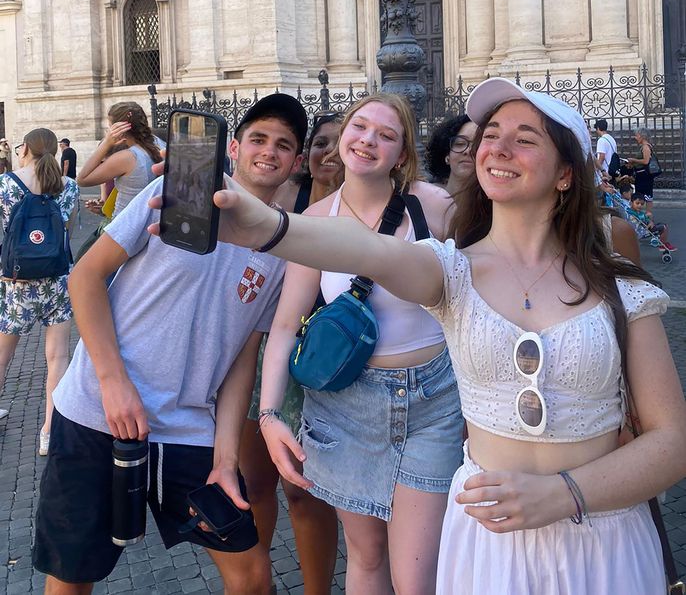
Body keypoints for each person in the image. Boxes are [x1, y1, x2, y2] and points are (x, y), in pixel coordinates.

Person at [207, 78, 686, 595]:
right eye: (491, 134)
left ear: (566, 172)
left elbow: (672, 442)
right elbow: (366, 250)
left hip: (604, 539)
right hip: (488, 542)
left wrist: (564, 494)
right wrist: (266, 226)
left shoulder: (617, 286)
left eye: (525, 139)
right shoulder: (450, 270)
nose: (498, 147)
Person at [32, 94, 308, 595]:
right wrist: (113, 382)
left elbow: (241, 361)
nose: (269, 152)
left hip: (187, 427)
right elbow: (86, 278)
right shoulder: (176, 189)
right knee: (73, 576)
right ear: (236, 148)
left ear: (297, 161)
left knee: (251, 572)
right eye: (259, 139)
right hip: (98, 412)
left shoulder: (280, 247)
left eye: (284, 145)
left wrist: (225, 459)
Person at [259, 94, 460, 595]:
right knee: (367, 556)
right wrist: (269, 416)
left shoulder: (431, 206)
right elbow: (286, 325)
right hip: (345, 408)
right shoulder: (315, 220)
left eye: (386, 135)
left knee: (416, 575)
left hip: (431, 402)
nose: (368, 139)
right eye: (360, 127)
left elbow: (488, 281)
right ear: (342, 137)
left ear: (402, 153)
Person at [241, 112, 343, 595]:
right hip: (261, 360)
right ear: (306, 158)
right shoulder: (284, 200)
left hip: (325, 370)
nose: (332, 152)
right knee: (253, 486)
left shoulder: (374, 211)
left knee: (305, 495)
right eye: (322, 143)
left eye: (342, 143)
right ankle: (253, 580)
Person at [0, 129, 78, 448]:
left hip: (16, 283)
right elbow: (66, 233)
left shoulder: (5, 184)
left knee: (3, 358)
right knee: (58, 358)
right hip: (57, 280)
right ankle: (49, 430)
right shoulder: (69, 187)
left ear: (26, 149)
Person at [77, 101, 162, 217]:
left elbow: (82, 179)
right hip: (149, 218)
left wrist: (106, 142)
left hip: (126, 222)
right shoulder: (158, 144)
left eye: (110, 127)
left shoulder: (127, 157)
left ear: (118, 129)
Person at [425, 114, 478, 196]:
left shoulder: (495, 205)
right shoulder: (424, 197)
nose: (468, 151)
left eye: (477, 145)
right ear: (447, 155)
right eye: (460, 144)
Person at [626, 128, 658, 217]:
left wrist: (633, 160)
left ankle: (647, 216)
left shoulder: (645, 147)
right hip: (641, 175)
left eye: (637, 136)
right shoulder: (644, 147)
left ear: (642, 136)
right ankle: (640, 214)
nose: (635, 137)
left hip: (645, 175)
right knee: (641, 195)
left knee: (646, 196)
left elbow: (646, 161)